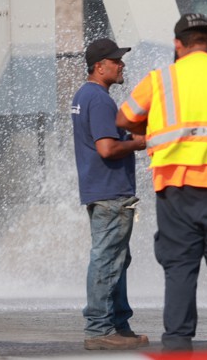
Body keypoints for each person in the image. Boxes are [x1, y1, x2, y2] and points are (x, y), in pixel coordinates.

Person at [116, 13, 207, 350]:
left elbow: (124, 118)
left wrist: (154, 134)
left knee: (180, 266)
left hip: (175, 187)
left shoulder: (159, 79)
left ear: (178, 44)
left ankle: (178, 341)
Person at [71, 38, 148, 350]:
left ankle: (118, 323)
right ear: (99, 66)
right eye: (116, 61)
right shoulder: (101, 99)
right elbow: (107, 147)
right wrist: (140, 143)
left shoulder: (83, 95)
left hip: (97, 189)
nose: (122, 65)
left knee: (116, 258)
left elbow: (103, 139)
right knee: (107, 259)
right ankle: (100, 327)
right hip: (110, 191)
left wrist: (126, 136)